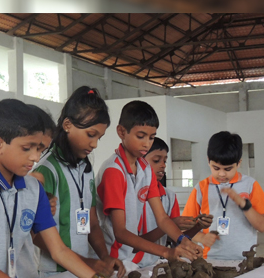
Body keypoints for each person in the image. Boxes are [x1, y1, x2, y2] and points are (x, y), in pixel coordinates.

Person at [0, 98, 142, 278]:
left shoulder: (33, 188)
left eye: (39, 149)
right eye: (27, 148)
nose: (35, 157)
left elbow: (59, 250)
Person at [32, 86, 125, 278]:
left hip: (83, 271)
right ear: (67, 125)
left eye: (99, 137)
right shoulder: (47, 170)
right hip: (54, 275)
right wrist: (86, 262)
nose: (94, 144)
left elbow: (92, 223)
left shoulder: (86, 169)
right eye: (91, 135)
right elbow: (37, 234)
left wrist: (105, 257)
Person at [95, 100, 200, 267]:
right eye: (140, 136)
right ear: (121, 132)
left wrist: (184, 241)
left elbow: (162, 218)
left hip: (130, 257)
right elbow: (120, 233)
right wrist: (166, 252)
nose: (147, 143)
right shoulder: (114, 171)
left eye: (152, 137)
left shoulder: (145, 169)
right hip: (110, 258)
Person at [183, 131, 264, 260]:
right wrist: (202, 237)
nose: (221, 174)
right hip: (209, 259)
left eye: (228, 169)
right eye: (216, 168)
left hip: (244, 260)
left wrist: (244, 205)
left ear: (239, 163)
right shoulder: (201, 188)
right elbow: (183, 228)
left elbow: (262, 226)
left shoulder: (250, 185)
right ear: (208, 161)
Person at [137, 137, 217, 267]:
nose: (163, 165)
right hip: (130, 265)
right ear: (140, 161)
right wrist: (170, 224)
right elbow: (132, 243)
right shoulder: (132, 195)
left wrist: (198, 227)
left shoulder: (169, 197)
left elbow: (176, 241)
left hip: (155, 264)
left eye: (165, 161)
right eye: (156, 160)